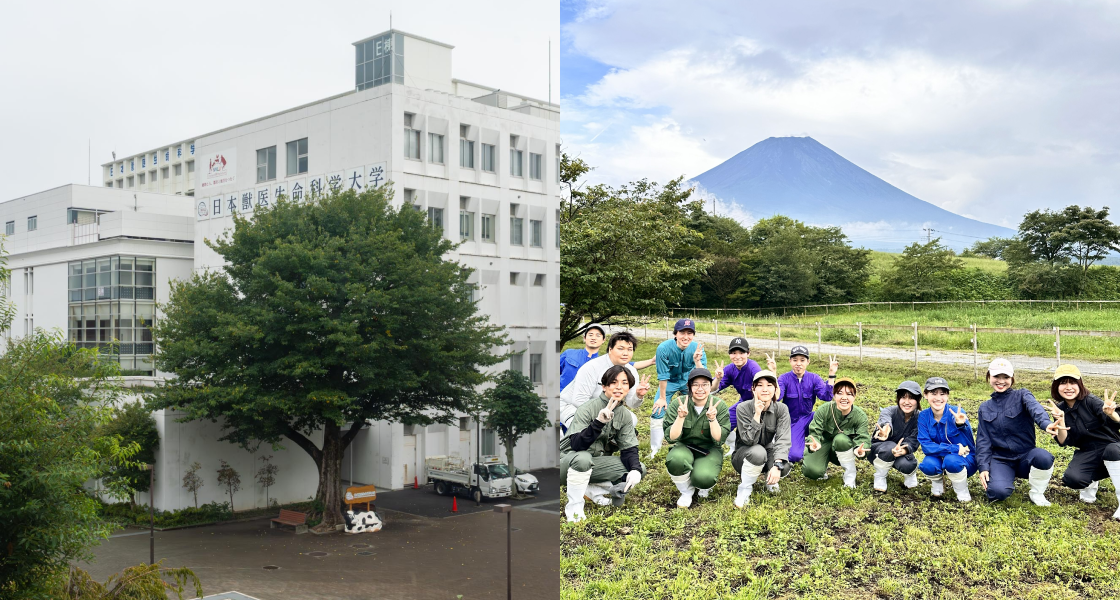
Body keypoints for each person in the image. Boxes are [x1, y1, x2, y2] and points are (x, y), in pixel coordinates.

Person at [560, 365, 646, 522]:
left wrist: (634, 470)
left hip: (594, 464)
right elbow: (577, 445)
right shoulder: (587, 408)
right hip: (566, 462)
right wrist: (598, 423)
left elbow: (629, 449)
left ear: (629, 388)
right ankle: (575, 508)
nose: (619, 387)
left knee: (638, 468)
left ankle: (592, 490)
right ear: (604, 386)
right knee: (583, 459)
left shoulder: (624, 415)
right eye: (613, 382)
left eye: (624, 383)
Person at [976, 358, 1060, 506]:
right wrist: (983, 466)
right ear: (989, 377)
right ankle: (1002, 477)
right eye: (996, 376)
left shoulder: (1022, 395)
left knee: (1044, 458)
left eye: (1006, 377)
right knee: (997, 493)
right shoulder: (984, 408)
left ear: (1012, 378)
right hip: (1001, 459)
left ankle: (1037, 493)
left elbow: (1036, 409)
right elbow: (983, 440)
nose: (1001, 381)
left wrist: (1045, 423)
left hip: (1025, 456)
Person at [1047, 364, 1120, 519]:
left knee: (1112, 451)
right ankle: (1091, 480)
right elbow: (1063, 441)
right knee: (1072, 479)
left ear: (1079, 384)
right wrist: (1060, 421)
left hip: (1112, 446)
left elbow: (1116, 422)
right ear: (1056, 386)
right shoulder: (1059, 409)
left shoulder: (1091, 401)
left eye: (1072, 382)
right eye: (1063, 382)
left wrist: (1111, 414)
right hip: (1088, 451)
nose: (1068, 387)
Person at [559, 331, 652, 433]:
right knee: (584, 429)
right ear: (610, 349)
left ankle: (608, 443)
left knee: (631, 419)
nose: (625, 353)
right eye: (620, 349)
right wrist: (602, 419)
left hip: (606, 408)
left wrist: (638, 395)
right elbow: (579, 401)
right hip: (571, 406)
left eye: (629, 349)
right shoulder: (592, 367)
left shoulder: (631, 371)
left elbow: (631, 403)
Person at [665, 367, 730, 508]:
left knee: (704, 478)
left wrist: (713, 420)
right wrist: (680, 418)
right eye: (695, 384)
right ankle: (686, 491)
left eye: (705, 384)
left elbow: (719, 439)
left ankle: (702, 484)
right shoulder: (679, 403)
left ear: (710, 385)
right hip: (684, 446)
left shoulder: (720, 405)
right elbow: (671, 437)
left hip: (709, 449)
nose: (700, 388)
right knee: (676, 460)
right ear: (689, 386)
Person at [731, 370, 791, 507]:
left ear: (775, 389)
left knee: (785, 466)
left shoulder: (781, 409)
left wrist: (777, 465)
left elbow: (783, 438)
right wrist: (757, 415)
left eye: (769, 385)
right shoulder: (743, 408)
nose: (765, 389)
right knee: (758, 452)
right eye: (760, 385)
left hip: (767, 451)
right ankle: (745, 488)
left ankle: (770, 479)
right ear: (753, 389)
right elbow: (749, 440)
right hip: (744, 455)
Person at [650, 318, 708, 457]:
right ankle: (655, 449)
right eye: (682, 332)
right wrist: (662, 398)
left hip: (688, 379)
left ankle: (693, 441)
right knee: (658, 409)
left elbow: (704, 374)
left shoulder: (697, 349)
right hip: (669, 380)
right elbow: (663, 375)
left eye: (690, 333)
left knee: (697, 407)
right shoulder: (663, 348)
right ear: (675, 333)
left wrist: (697, 361)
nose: (686, 337)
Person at [916, 377, 976, 502]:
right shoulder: (923, 416)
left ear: (947, 396)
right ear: (925, 395)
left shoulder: (956, 413)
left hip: (964, 458)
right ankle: (938, 483)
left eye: (942, 394)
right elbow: (926, 446)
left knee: (951, 461)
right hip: (939, 455)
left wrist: (960, 424)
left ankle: (961, 489)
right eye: (933, 393)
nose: (938, 398)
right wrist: (953, 448)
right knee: (927, 464)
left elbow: (969, 443)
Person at [802, 377, 870, 488]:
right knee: (811, 471)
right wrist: (814, 442)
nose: (844, 398)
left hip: (842, 448)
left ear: (854, 397)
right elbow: (815, 432)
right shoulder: (824, 410)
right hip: (823, 444)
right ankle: (820, 468)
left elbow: (863, 437)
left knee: (841, 439)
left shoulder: (860, 416)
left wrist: (860, 449)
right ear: (834, 395)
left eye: (849, 394)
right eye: (839, 393)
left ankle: (849, 475)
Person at [775, 346, 838, 463]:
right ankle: (786, 440)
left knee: (829, 414)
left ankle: (822, 447)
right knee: (795, 456)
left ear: (808, 362)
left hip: (809, 417)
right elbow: (777, 397)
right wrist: (773, 373)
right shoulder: (784, 378)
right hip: (791, 421)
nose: (798, 363)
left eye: (802, 360)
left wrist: (831, 374)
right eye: (795, 360)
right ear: (790, 361)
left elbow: (826, 396)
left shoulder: (814, 378)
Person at [869, 380, 923, 492]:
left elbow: (913, 440)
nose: (907, 402)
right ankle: (880, 475)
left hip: (900, 451)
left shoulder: (920, 418)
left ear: (918, 400)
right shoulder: (889, 411)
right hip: (880, 451)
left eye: (911, 398)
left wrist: (902, 450)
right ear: (898, 399)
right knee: (889, 447)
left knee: (909, 463)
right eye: (903, 397)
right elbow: (885, 421)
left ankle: (910, 475)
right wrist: (885, 430)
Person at [718, 337, 763, 457]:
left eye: (741, 353)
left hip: (759, 405)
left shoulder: (754, 368)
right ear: (729, 354)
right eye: (733, 353)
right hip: (742, 403)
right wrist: (717, 378)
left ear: (748, 353)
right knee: (721, 422)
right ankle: (733, 445)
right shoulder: (729, 369)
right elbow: (712, 389)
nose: (737, 356)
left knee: (757, 431)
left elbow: (764, 390)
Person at [559, 324, 606, 392]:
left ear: (603, 340)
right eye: (590, 335)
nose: (593, 338)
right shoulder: (569, 354)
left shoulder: (602, 363)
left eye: (598, 335)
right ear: (584, 338)